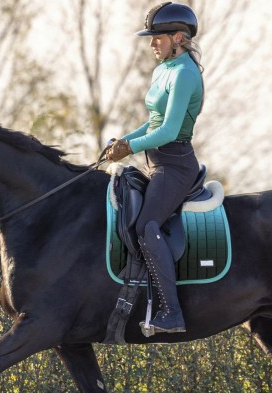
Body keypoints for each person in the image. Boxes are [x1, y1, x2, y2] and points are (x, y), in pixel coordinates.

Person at [106, 2, 203, 334]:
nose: (151, 44)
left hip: (175, 165)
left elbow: (170, 131)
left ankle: (171, 312)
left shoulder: (185, 73)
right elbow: (153, 122)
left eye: (157, 38)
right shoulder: (164, 69)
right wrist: (121, 142)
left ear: (178, 37)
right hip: (156, 162)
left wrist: (129, 148)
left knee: (148, 227)